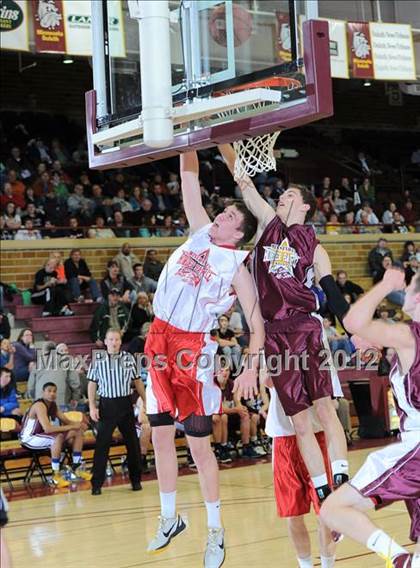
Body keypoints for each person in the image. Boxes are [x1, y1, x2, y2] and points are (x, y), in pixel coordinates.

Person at [145, 151, 265, 568]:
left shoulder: (236, 265)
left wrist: (251, 364)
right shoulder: (198, 232)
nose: (220, 215)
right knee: (159, 433)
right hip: (158, 338)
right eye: (223, 212)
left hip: (192, 349)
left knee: (198, 446)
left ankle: (215, 531)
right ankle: (168, 517)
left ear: (239, 233)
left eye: (230, 215)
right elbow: (188, 178)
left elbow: (255, 321)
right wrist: (187, 138)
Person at [219, 144, 349, 507]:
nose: (281, 197)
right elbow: (243, 181)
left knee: (325, 407)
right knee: (299, 422)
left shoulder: (315, 247)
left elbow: (334, 296)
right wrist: (221, 140)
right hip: (275, 335)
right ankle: (322, 488)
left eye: (289, 195)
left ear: (305, 206)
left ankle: (341, 475)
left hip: (306, 328)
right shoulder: (267, 225)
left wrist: (356, 332)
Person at [320, 269, 420, 567]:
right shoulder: (402, 342)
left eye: (411, 286)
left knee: (332, 510)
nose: (406, 290)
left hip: (416, 449)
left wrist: (386, 285)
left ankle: (398, 558)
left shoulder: (409, 335)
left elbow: (352, 321)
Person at [265, 377, 337, 568]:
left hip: (317, 434)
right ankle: (305, 565)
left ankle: (327, 565)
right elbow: (266, 380)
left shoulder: (318, 351)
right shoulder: (270, 349)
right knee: (293, 512)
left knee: (325, 511)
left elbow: (331, 402)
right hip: (284, 438)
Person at [87, 329, 145, 495]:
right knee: (102, 446)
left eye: (117, 339)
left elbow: (138, 381)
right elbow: (92, 384)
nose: (114, 342)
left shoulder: (128, 358)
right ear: (105, 341)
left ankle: (136, 480)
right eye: (111, 339)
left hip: (125, 404)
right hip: (107, 405)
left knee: (133, 444)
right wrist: (92, 406)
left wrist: (146, 401)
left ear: (121, 342)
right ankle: (96, 483)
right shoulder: (97, 360)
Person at [19, 381, 92, 487]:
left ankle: (77, 467)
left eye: (54, 391)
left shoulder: (52, 405)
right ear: (43, 392)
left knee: (78, 432)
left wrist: (80, 425)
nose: (52, 394)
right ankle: (55, 475)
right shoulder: (39, 405)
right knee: (58, 437)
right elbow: (48, 429)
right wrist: (72, 426)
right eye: (49, 391)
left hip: (42, 436)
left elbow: (66, 421)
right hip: (29, 439)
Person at [26, 342, 81, 410]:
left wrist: (35, 397)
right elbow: (75, 383)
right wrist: (75, 398)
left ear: (43, 351)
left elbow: (31, 387)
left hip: (40, 402)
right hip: (60, 401)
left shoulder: (37, 364)